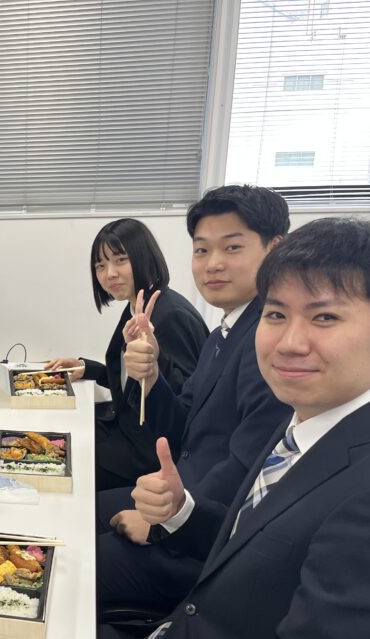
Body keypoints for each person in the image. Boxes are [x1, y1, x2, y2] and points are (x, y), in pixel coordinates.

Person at [24, 217, 370, 639]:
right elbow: (254, 546)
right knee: (19, 632)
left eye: (325, 317)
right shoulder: (310, 421)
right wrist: (181, 513)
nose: (289, 341)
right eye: (276, 314)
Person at [97, 186, 293, 611]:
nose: (213, 263)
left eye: (232, 247)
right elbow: (183, 424)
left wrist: (164, 522)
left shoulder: (270, 343)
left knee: (71, 562)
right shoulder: (225, 333)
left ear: (275, 249)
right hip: (177, 494)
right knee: (79, 512)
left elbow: (245, 466)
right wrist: (151, 376)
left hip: (198, 537)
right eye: (202, 250)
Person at [46, 218, 207, 490]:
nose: (109, 273)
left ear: (144, 256)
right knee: (60, 433)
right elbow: (130, 378)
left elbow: (181, 415)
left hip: (146, 456)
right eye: (100, 265)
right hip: (126, 432)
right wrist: (87, 368)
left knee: (62, 459)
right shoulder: (136, 305)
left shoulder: (171, 317)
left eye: (120, 260)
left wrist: (151, 371)